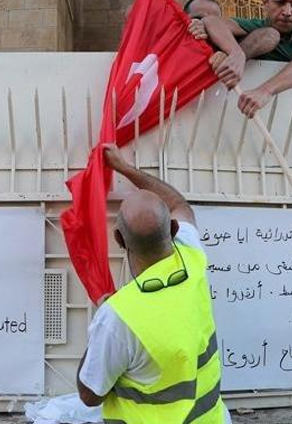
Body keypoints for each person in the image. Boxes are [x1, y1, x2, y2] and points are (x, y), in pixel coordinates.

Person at [77, 144, 229, 424]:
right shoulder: (191, 255)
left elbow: (89, 394)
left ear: (120, 241)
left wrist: (100, 324)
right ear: (172, 229)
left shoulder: (118, 317)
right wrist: (124, 167)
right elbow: (179, 205)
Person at [185, 0, 292, 118]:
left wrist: (265, 91)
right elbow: (212, 21)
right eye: (279, 2)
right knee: (270, 34)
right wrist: (236, 55)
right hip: (226, 114)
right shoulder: (255, 26)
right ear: (265, 2)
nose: (287, 11)